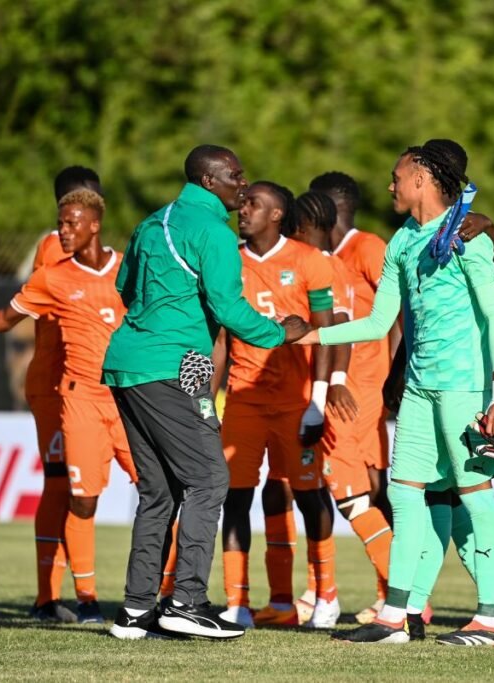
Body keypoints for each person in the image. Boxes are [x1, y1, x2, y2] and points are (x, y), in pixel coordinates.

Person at [299, 139, 494, 646]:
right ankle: (395, 615)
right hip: (418, 388)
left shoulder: (468, 236)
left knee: (475, 493)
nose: (390, 185)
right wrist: (309, 334)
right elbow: (377, 323)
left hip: (465, 388)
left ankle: (489, 618)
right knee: (404, 493)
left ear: (421, 179)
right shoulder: (401, 242)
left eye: (397, 177)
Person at [103, 144, 308, 640]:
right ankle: (187, 603)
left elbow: (126, 291)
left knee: (159, 491)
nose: (243, 182)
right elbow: (229, 308)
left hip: (129, 361)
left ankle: (134, 613)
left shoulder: (151, 223)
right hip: (176, 363)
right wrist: (283, 332)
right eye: (236, 175)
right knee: (210, 480)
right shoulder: (214, 231)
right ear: (210, 179)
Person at [0, 189, 136, 626]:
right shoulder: (53, 278)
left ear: (94, 223)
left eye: (71, 223)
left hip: (130, 400)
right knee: (82, 500)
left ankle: (167, 594)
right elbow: (4, 318)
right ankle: (87, 599)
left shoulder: (130, 266)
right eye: (60, 222)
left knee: (160, 492)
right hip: (81, 401)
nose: (63, 231)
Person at [211, 181, 339, 630]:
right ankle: (237, 603)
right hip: (243, 403)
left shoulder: (309, 262)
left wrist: (317, 402)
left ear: (277, 214)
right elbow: (221, 339)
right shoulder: (226, 259)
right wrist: (208, 401)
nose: (242, 209)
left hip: (294, 403)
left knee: (308, 496)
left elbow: (326, 331)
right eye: (242, 202)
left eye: (253, 204)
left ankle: (326, 595)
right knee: (234, 499)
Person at [304, 173, 395, 623]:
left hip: (363, 388)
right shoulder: (321, 258)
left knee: (368, 491)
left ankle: (394, 592)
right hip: (332, 387)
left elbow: (398, 314)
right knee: (319, 487)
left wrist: (396, 375)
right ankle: (317, 590)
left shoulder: (369, 248)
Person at [23, 166, 102, 624]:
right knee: (61, 484)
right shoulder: (55, 248)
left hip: (98, 390)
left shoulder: (103, 255)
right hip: (56, 387)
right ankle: (49, 598)